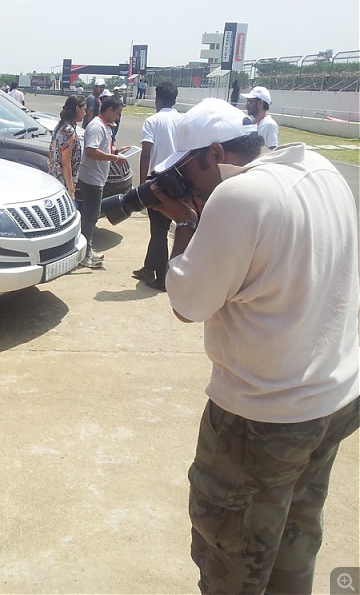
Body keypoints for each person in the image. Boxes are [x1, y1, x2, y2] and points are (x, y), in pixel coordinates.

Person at [151, 98, 359, 595]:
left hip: (262, 418)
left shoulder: (240, 197)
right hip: (333, 400)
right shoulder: (320, 169)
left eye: (184, 169)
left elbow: (187, 304)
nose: (184, 181)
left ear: (213, 153)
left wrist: (185, 221)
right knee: (294, 537)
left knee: (232, 554)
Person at [133, 81, 182, 291]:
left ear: (158, 99)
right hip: (179, 179)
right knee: (162, 227)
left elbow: (146, 153)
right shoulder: (183, 120)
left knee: (159, 231)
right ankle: (148, 267)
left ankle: (162, 278)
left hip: (158, 178)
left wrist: (142, 183)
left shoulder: (153, 121)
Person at [76, 96, 130, 268]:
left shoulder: (103, 126)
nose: (118, 117)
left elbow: (100, 148)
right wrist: (114, 158)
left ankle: (87, 250)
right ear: (109, 110)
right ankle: (85, 253)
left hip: (96, 178)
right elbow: (91, 151)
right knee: (90, 217)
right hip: (92, 179)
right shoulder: (97, 126)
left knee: (91, 215)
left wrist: (116, 150)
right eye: (117, 113)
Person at [48, 95, 86, 199]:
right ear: (77, 109)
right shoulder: (69, 132)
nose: (85, 113)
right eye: (84, 110)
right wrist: (71, 190)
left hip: (54, 177)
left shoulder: (59, 126)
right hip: (63, 182)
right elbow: (66, 163)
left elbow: (51, 152)